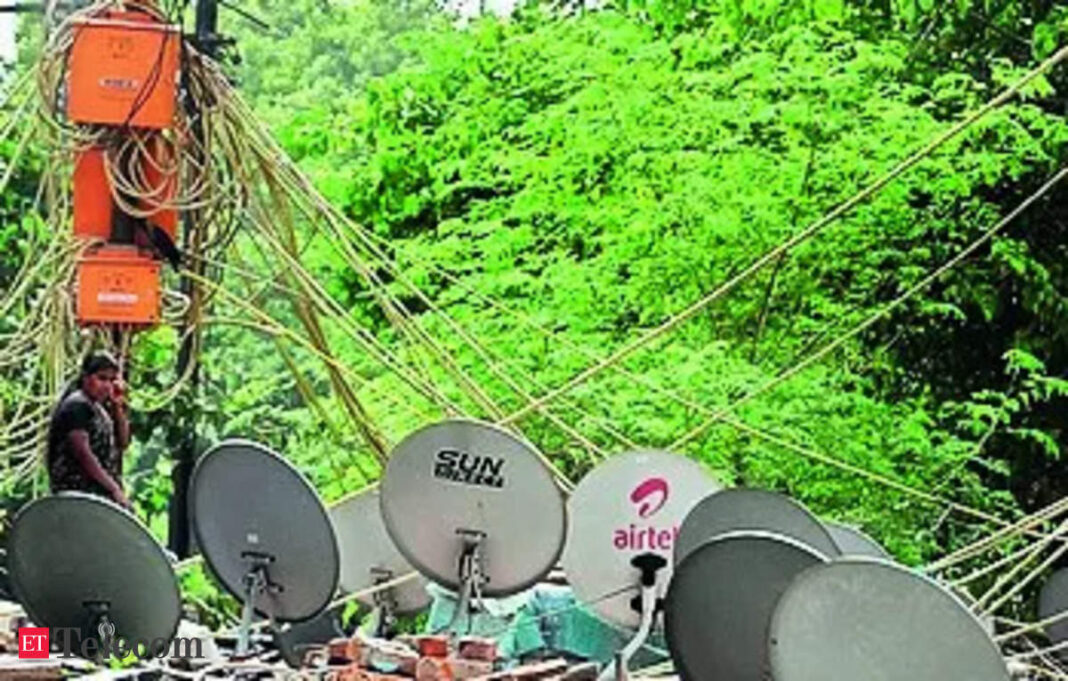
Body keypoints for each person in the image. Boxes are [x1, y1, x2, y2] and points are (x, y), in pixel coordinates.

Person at [46, 351, 131, 508]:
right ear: (86, 377)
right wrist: (113, 489)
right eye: (101, 378)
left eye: (112, 380)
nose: (107, 385)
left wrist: (118, 406)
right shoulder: (77, 405)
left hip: (97, 496)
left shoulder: (98, 408)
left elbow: (123, 442)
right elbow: (83, 453)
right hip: (77, 495)